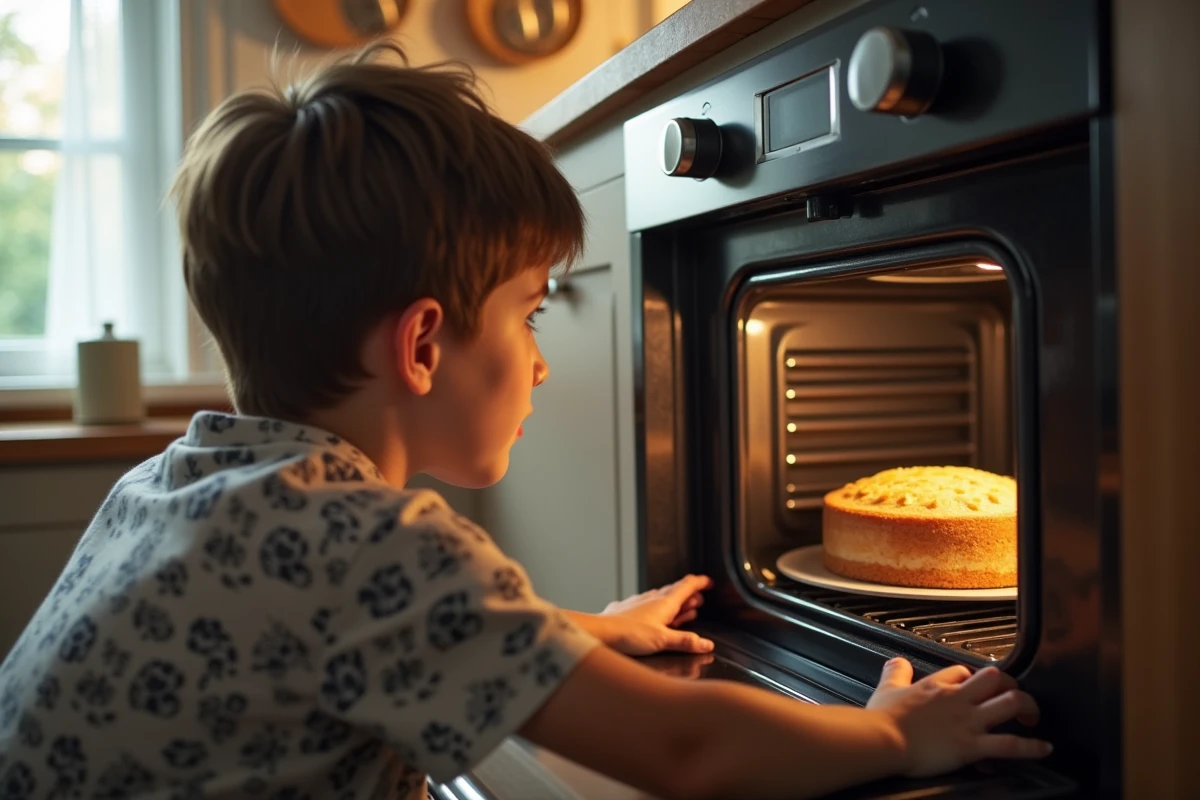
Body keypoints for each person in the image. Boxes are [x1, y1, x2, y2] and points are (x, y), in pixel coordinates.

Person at [0, 43, 1051, 800]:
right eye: (529, 311)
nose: (544, 360)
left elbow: (340, 641)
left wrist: (579, 634)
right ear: (420, 345)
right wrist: (887, 735)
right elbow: (685, 751)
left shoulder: (173, 482)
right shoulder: (371, 543)